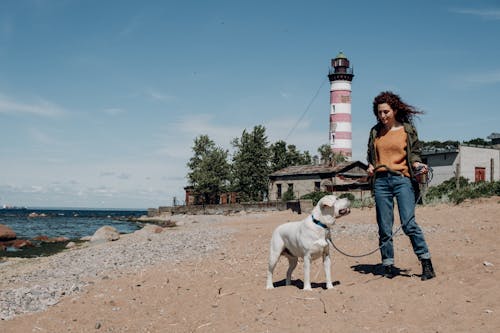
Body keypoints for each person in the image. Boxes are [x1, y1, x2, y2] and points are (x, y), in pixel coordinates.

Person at [366, 91, 436, 281]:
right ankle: (388, 264)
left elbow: (414, 154)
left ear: (395, 110)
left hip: (402, 179)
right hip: (380, 182)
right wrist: (371, 166)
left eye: (386, 112)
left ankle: (426, 262)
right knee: (384, 227)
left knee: (408, 223)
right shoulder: (375, 132)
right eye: (379, 113)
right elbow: (371, 158)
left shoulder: (407, 130)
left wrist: (417, 164)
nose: (382, 116)